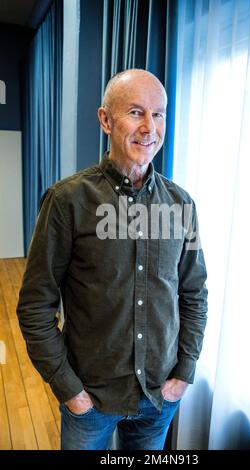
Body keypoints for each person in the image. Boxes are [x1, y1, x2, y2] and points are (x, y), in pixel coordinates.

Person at [17, 69, 208, 451]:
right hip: (91, 401)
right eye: (135, 112)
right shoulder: (67, 201)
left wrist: (184, 372)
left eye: (158, 114)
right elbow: (35, 307)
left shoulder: (181, 204)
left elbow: (194, 294)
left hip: (159, 398)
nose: (149, 127)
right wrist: (70, 390)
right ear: (106, 119)